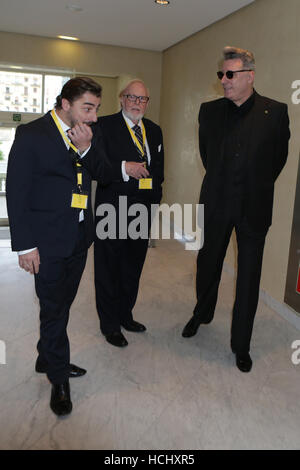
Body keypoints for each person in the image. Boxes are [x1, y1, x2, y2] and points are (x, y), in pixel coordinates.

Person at [6, 77, 113, 416]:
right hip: (47, 241)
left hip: (80, 238)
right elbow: (17, 192)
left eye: (96, 108)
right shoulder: (32, 135)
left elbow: (106, 175)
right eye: (88, 108)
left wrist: (86, 149)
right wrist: (25, 247)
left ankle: (46, 356)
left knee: (61, 304)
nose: (94, 116)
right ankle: (58, 378)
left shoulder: (88, 135)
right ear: (65, 104)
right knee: (54, 309)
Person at [182, 47, 290, 372]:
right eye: (222, 75)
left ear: (249, 76)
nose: (224, 81)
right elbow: (206, 155)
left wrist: (253, 185)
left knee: (248, 277)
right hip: (216, 203)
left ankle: (240, 344)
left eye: (231, 75)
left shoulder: (276, 112)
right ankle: (202, 314)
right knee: (207, 264)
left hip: (254, 208)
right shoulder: (209, 111)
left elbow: (277, 160)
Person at [92, 79, 164, 347]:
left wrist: (154, 203)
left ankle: (125, 315)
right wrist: (125, 166)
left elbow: (159, 173)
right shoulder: (104, 126)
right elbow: (98, 166)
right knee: (108, 269)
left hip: (142, 211)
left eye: (142, 99)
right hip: (112, 208)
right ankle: (109, 324)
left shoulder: (154, 131)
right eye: (132, 97)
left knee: (132, 267)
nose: (137, 103)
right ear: (122, 99)